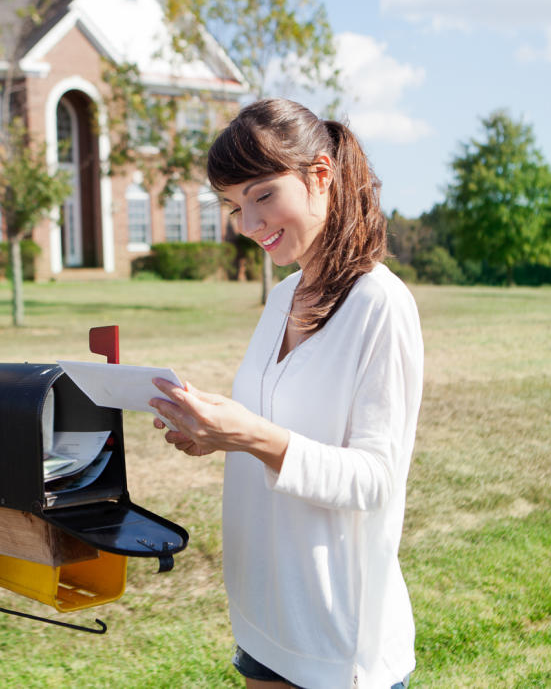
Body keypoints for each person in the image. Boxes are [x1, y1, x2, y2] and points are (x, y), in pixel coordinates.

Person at [148, 98, 423, 689]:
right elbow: (278, 428)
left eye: (262, 195)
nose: (247, 224)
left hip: (336, 634)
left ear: (319, 175)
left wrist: (249, 434)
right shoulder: (282, 298)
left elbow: (375, 481)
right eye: (233, 206)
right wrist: (215, 434)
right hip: (264, 615)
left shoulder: (381, 304)